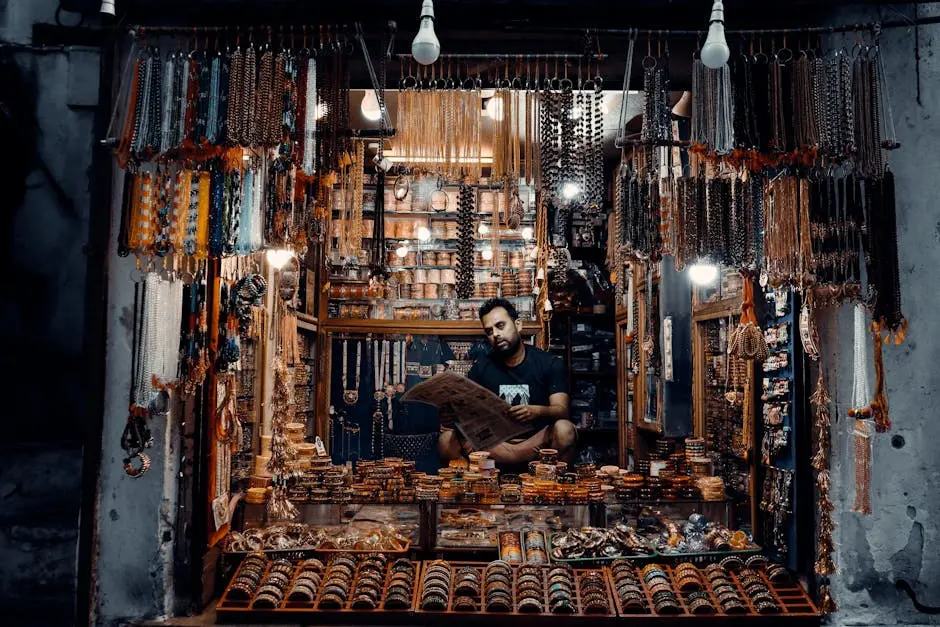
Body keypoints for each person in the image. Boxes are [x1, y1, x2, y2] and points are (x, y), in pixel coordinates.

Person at [438, 298, 577, 466]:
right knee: (446, 440)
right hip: (494, 445)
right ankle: (475, 484)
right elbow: (468, 414)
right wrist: (452, 414)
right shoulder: (481, 366)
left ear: (518, 325)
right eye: (489, 331)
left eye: (500, 326)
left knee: (564, 429)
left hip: (534, 443)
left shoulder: (549, 363)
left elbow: (562, 410)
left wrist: (537, 411)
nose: (495, 334)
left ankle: (551, 486)